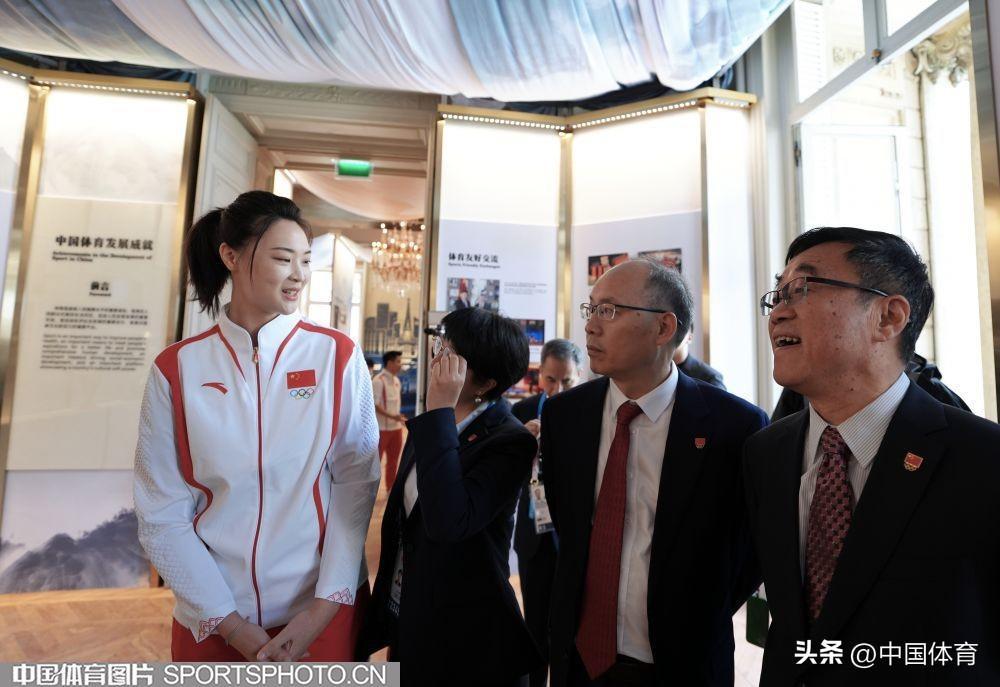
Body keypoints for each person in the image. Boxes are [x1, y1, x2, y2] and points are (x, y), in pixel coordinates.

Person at [745, 226, 1000, 686]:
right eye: (777, 295)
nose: (778, 312)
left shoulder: (982, 457)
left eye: (802, 288)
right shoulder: (766, 452)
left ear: (888, 316)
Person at [134, 191, 380, 662]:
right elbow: (160, 511)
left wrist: (325, 607)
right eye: (283, 259)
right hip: (212, 617)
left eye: (305, 261)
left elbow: (357, 484)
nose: (299, 275)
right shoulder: (177, 368)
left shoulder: (337, 356)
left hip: (322, 614)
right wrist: (228, 624)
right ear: (230, 256)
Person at [541, 260, 768, 686]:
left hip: (684, 663)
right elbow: (568, 529)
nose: (591, 326)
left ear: (664, 328)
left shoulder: (735, 427)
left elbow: (749, 550)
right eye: (591, 309)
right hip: (579, 660)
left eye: (609, 310)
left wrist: (701, 612)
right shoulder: (565, 416)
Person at [359, 307, 542, 685]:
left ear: (484, 382)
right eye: (440, 347)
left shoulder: (509, 441)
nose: (437, 360)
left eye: (450, 355)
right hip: (413, 613)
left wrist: (440, 412)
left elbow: (448, 521)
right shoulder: (431, 423)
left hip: (471, 633)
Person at [511, 338, 582, 687]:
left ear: (579, 376)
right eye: (551, 380)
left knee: (571, 628)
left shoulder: (591, 413)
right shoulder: (520, 413)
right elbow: (505, 478)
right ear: (540, 375)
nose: (558, 389)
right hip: (533, 537)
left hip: (576, 539)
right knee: (535, 625)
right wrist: (521, 446)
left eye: (567, 380)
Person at [372, 351, 406, 490]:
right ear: (390, 363)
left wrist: (397, 417)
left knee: (393, 462)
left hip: (396, 429)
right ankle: (370, 492)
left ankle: (390, 489)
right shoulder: (378, 380)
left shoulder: (396, 381)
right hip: (381, 430)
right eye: (398, 361)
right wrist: (394, 417)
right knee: (375, 464)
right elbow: (375, 405)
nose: (400, 365)